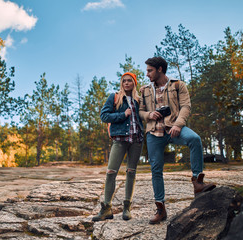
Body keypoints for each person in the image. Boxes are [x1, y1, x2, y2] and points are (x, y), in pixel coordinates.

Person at [139, 57, 216, 224]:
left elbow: (186, 107)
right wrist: (148, 115)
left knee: (194, 139)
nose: (147, 74)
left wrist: (178, 125)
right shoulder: (144, 90)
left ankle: (198, 182)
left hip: (174, 128)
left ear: (160, 69)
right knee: (156, 169)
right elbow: (141, 111)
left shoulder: (178, 85)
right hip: (154, 132)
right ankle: (160, 209)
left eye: (150, 70)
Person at [92, 72, 144, 221]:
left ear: (134, 83)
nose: (126, 83)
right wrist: (123, 115)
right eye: (124, 81)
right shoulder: (114, 97)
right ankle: (106, 208)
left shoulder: (139, 100)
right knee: (110, 171)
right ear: (121, 83)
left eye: (129, 81)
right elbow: (104, 116)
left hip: (136, 140)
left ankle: (127, 207)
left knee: (131, 172)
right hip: (119, 139)